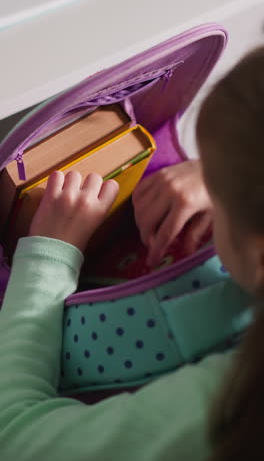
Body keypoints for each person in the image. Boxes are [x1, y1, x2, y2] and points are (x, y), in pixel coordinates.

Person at [0, 45, 263, 461]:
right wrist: (223, 176)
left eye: (220, 189)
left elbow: (15, 434)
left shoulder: (222, 408)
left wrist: (48, 253)